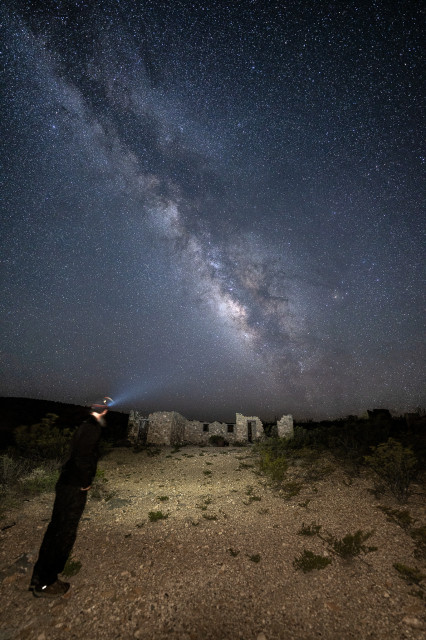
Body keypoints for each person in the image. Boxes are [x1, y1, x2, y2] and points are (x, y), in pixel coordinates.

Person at [29, 396, 113, 598]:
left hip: (66, 483)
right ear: (103, 412)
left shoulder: (86, 425)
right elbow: (82, 457)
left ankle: (40, 577)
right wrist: (85, 482)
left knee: (56, 528)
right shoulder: (92, 429)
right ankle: (47, 582)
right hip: (74, 487)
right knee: (64, 532)